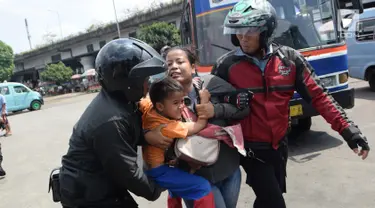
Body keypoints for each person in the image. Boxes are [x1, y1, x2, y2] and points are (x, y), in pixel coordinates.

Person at [205, 0, 370, 207]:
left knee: (267, 200)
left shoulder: (290, 60)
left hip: (280, 145)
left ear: (266, 31)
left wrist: (349, 131)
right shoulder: (225, 66)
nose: (242, 37)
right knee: (275, 202)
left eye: (249, 31)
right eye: (238, 31)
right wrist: (230, 99)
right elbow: (211, 103)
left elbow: (320, 97)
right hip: (250, 149)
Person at [58, 38, 167, 208]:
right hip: (87, 196)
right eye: (145, 79)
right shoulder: (111, 120)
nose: (149, 84)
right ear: (129, 81)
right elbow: (128, 172)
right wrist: (162, 185)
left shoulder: (123, 101)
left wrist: (148, 137)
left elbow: (136, 131)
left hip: (102, 184)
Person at [149, 46, 250, 208]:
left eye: (179, 62)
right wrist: (150, 136)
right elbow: (151, 130)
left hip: (228, 170)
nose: (173, 66)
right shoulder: (160, 99)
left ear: (193, 66)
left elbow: (244, 108)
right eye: (169, 64)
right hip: (194, 176)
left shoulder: (212, 83)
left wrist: (215, 110)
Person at [140, 77, 215, 207]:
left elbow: (141, 102)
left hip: (150, 166)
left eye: (182, 101)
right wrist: (204, 100)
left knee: (176, 188)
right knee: (203, 187)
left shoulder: (148, 106)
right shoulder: (169, 127)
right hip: (160, 171)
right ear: (160, 106)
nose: (181, 106)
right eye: (175, 103)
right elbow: (199, 125)